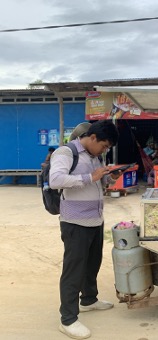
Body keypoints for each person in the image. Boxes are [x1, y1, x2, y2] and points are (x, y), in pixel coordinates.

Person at [49, 120, 121, 339]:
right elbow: (56, 180)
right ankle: (68, 319)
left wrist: (109, 178)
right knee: (74, 270)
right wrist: (92, 177)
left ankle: (89, 299)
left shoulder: (95, 156)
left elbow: (97, 183)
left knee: (92, 264)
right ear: (92, 138)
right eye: (104, 146)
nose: (105, 150)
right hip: (75, 222)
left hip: (94, 220)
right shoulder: (66, 152)